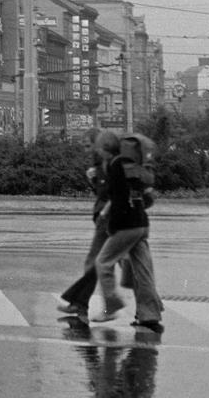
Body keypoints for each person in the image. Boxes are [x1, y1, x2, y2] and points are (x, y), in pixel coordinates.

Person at [92, 133, 163, 332]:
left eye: (98, 148)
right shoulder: (129, 166)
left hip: (128, 225)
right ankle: (150, 314)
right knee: (142, 270)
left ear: (105, 149)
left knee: (103, 262)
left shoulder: (115, 166)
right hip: (141, 223)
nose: (96, 152)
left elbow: (119, 199)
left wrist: (113, 225)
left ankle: (111, 306)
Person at [57, 128, 122, 318]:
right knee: (102, 263)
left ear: (98, 144)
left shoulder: (105, 163)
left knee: (96, 262)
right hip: (107, 217)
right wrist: (93, 181)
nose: (86, 150)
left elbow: (110, 193)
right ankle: (82, 303)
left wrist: (103, 210)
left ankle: (84, 303)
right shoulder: (101, 163)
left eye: (88, 145)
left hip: (107, 218)